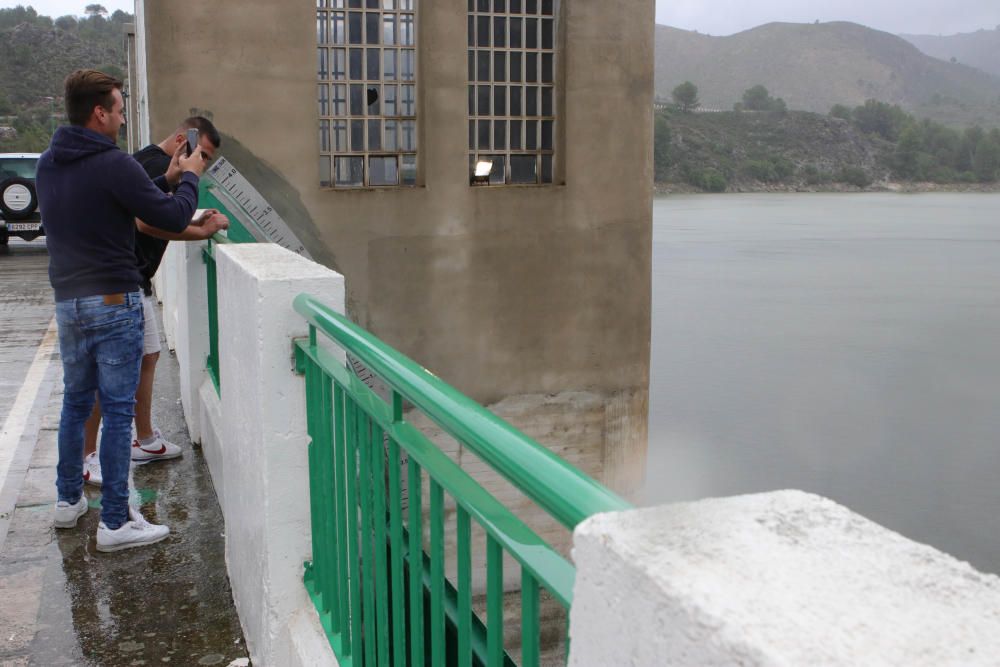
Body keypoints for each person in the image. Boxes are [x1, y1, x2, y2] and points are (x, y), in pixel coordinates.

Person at [37, 69, 208, 552]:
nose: (122, 116)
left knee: (75, 404)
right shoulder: (112, 163)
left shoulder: (51, 162)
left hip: (69, 303)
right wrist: (189, 177)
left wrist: (164, 177)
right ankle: (116, 521)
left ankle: (67, 501)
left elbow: (107, 198)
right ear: (99, 113)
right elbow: (173, 216)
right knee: (116, 412)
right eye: (118, 108)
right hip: (114, 300)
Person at [81, 117, 228, 485]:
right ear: (183, 139)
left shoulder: (154, 167)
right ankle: (86, 456)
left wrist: (195, 220)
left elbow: (160, 209)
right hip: (120, 280)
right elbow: (146, 222)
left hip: (135, 279)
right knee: (111, 370)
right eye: (202, 154)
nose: (203, 164)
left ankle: (143, 439)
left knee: (148, 356)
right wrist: (200, 232)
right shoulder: (148, 164)